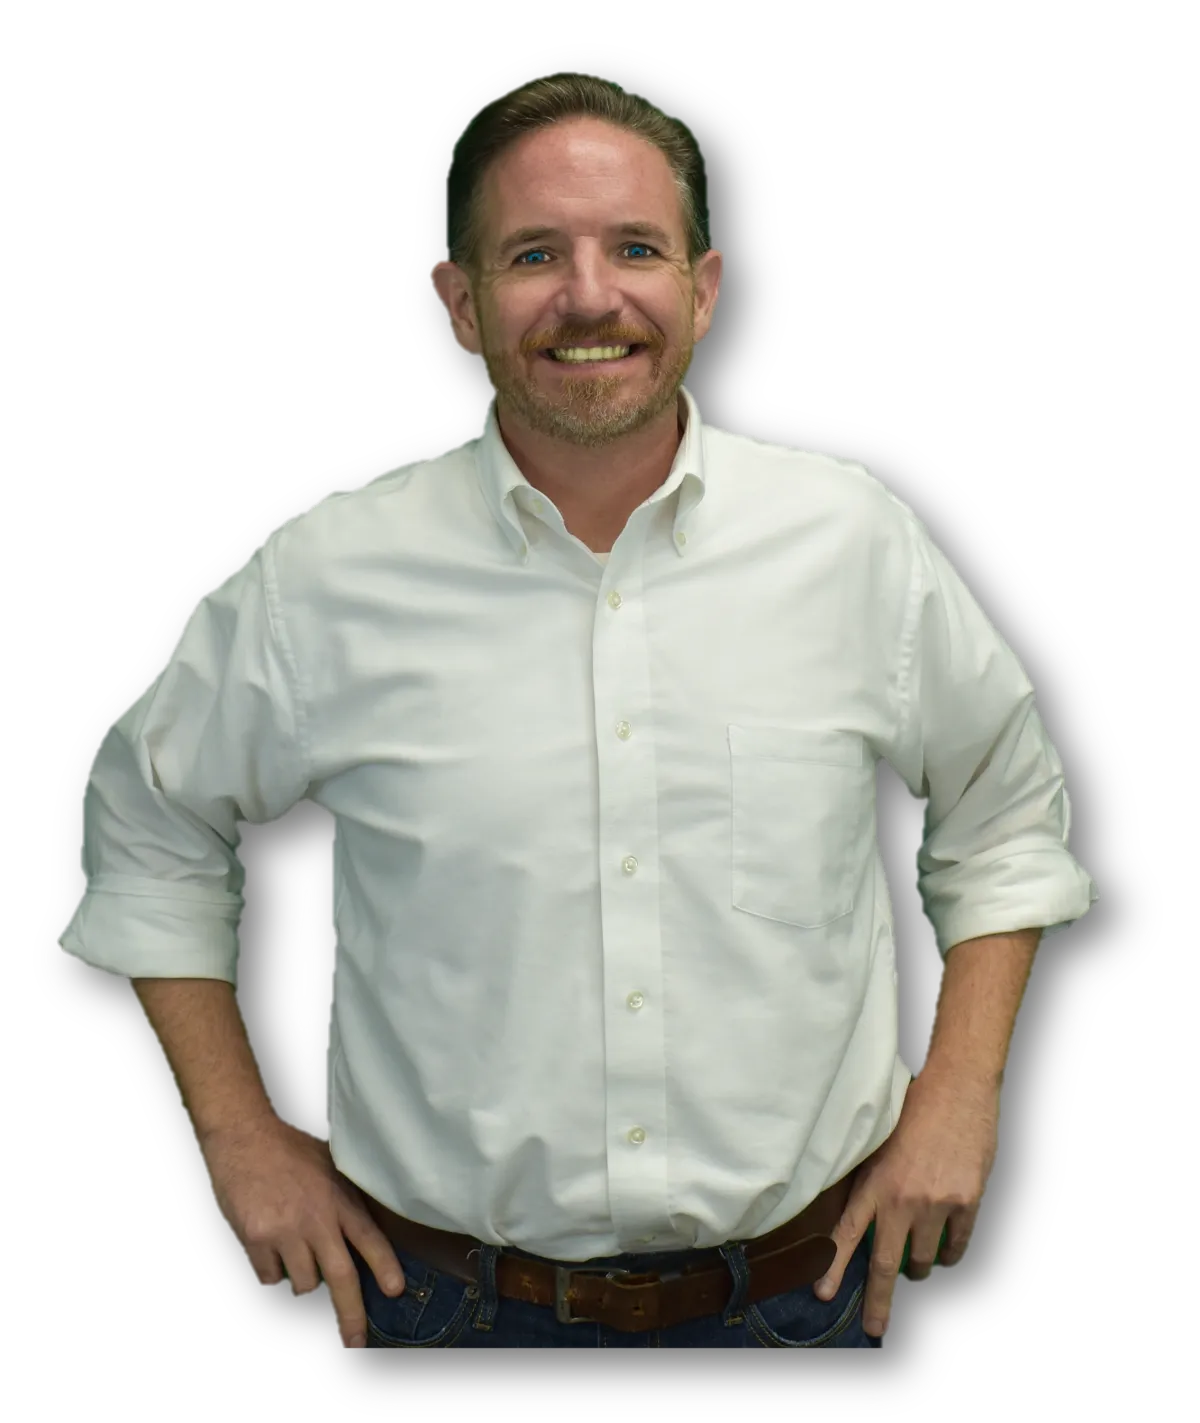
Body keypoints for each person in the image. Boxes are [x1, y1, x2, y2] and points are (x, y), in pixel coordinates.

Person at [55, 71, 1100, 1351]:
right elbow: (152, 826)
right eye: (535, 253)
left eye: (637, 249)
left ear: (704, 291)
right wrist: (233, 1131)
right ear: (461, 303)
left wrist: (960, 1096)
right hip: (439, 1314)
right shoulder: (324, 579)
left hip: (809, 1305)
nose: (592, 297)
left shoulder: (852, 539)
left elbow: (1005, 813)